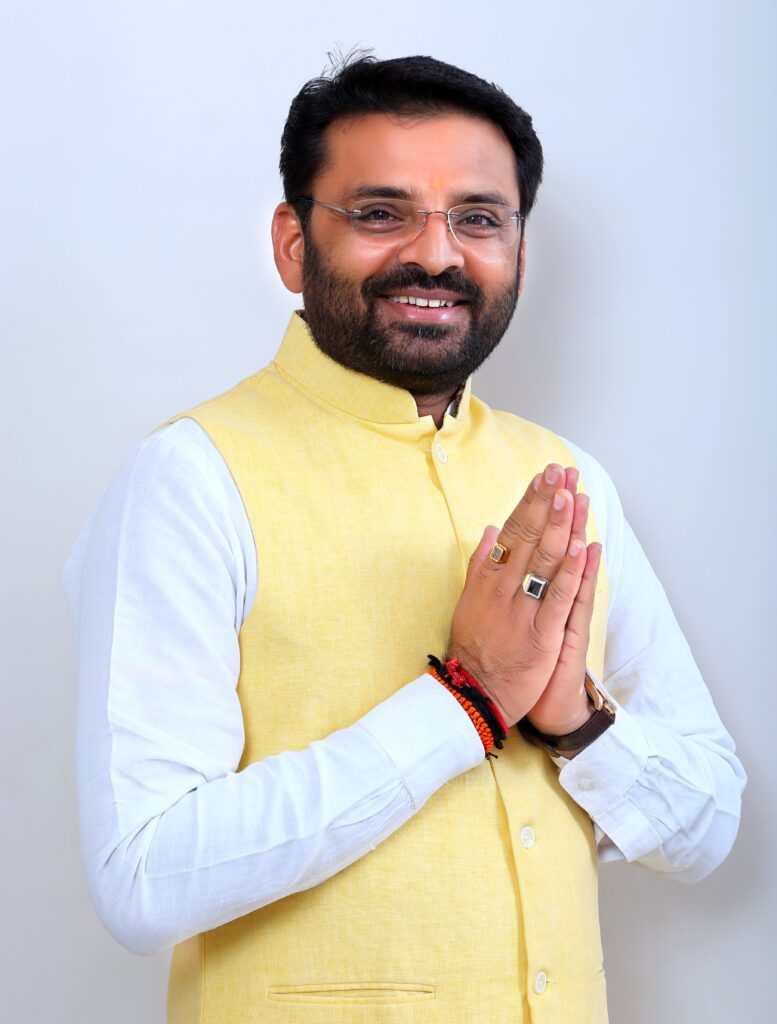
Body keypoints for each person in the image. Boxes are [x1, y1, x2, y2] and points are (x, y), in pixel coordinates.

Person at [64, 53, 745, 1023]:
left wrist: (576, 721)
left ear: (518, 247)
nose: (437, 254)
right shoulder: (190, 477)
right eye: (382, 212)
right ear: (293, 243)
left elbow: (708, 826)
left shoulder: (568, 479)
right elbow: (142, 875)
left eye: (479, 218)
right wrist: (465, 702)